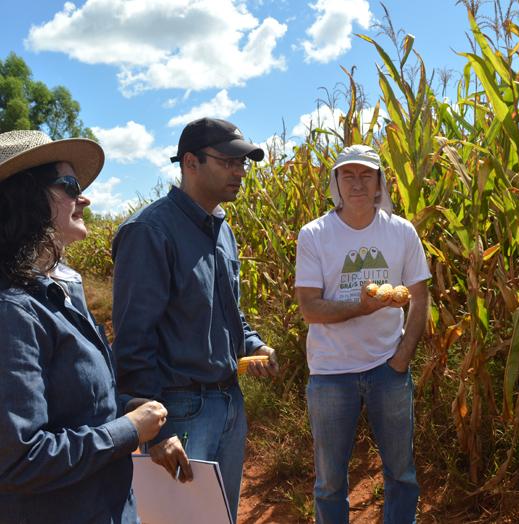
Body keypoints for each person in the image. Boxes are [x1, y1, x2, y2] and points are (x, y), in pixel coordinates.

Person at [111, 117, 279, 522]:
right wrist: (156, 433)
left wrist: (253, 344)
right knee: (179, 517)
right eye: (229, 162)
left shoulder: (222, 230)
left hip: (228, 403)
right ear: (190, 162)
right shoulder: (150, 232)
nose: (240, 172)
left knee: (220, 516)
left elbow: (226, 310)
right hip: (180, 408)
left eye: (245, 164)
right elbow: (134, 340)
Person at [0, 129, 168, 523]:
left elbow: (69, 403)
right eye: (70, 185)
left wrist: (122, 409)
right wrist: (128, 430)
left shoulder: (54, 293)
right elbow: (19, 460)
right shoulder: (13, 312)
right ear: (25, 197)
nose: (85, 197)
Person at [295, 144, 430, 523]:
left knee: (401, 475)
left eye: (365, 174)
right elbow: (309, 307)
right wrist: (361, 306)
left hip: (388, 370)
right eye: (347, 175)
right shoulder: (315, 234)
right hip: (330, 373)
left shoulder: (401, 232)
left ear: (379, 183)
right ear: (336, 182)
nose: (357, 182)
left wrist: (401, 360)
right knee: (330, 482)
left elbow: (420, 297)